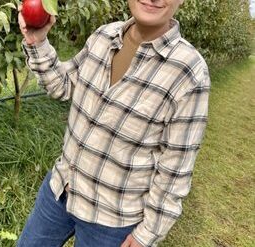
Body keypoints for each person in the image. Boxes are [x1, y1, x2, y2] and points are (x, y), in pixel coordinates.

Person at [17, 0, 210, 246]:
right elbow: (63, 85)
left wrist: (146, 234)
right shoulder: (103, 36)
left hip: (112, 221)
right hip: (61, 189)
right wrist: (38, 42)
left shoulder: (189, 72)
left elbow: (175, 168)